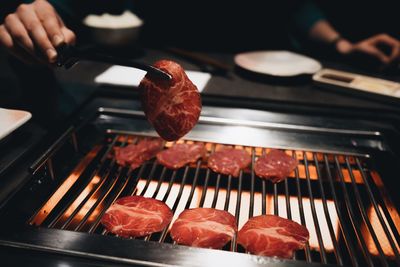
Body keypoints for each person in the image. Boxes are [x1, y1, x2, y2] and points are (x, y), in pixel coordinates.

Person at [1, 0, 399, 67]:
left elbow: (295, 7)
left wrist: (340, 43)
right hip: (160, 67)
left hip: (259, 73)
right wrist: (36, 15)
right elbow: (64, 6)